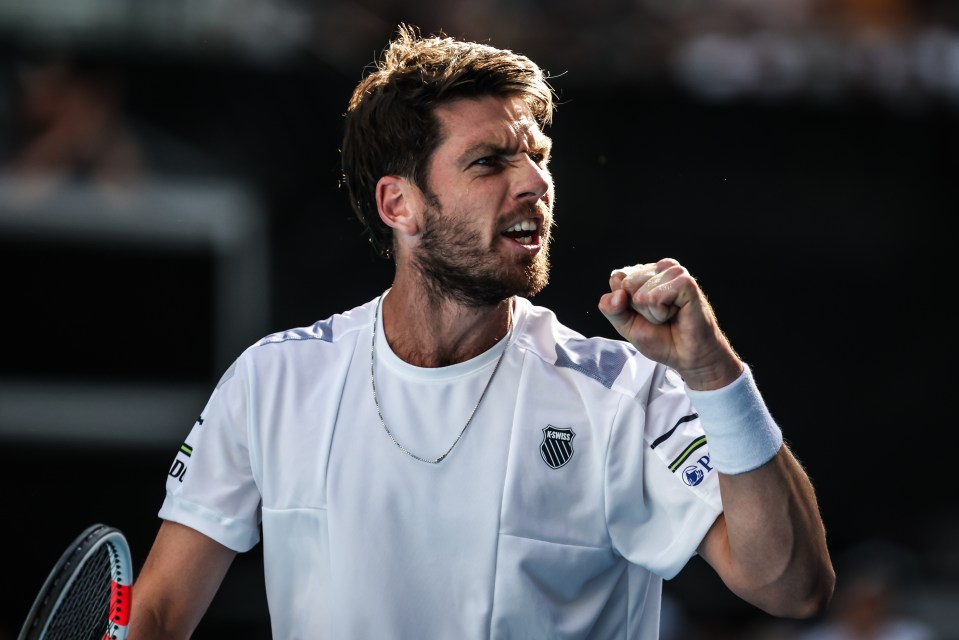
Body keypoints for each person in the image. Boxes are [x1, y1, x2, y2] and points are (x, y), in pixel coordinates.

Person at [129, 24, 835, 638]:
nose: (534, 182)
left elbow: (791, 586)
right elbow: (157, 616)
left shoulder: (625, 391)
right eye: (490, 161)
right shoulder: (272, 381)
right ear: (398, 205)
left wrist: (713, 376)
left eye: (538, 157)